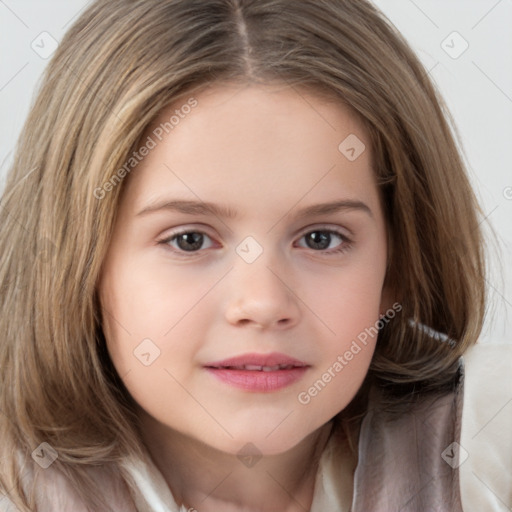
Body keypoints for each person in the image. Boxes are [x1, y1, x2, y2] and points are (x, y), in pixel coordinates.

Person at [0, 1, 510, 511]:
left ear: (397, 267)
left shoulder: (489, 447)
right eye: (189, 240)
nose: (263, 303)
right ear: (78, 264)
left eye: (320, 239)